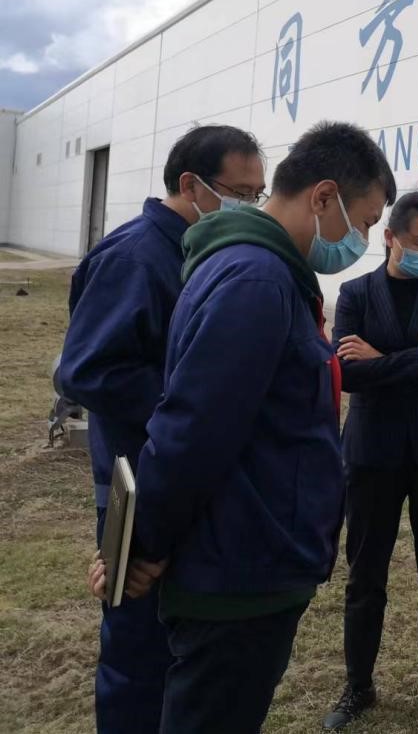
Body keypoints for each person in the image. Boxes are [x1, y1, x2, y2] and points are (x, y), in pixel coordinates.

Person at [108, 120, 395, 734]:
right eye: (366, 222)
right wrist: (143, 544)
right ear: (323, 197)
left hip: (248, 556)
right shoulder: (256, 281)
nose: (363, 241)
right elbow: (192, 430)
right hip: (238, 573)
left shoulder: (260, 271)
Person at [63, 123, 265, 734]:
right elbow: (86, 369)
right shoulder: (135, 255)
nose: (250, 206)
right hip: (136, 480)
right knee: (137, 653)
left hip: (180, 474)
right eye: (240, 192)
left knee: (178, 649)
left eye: (257, 195)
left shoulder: (201, 250)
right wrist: (192, 399)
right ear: (191, 184)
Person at [322, 192, 418, 734]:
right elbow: (347, 374)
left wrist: (383, 361)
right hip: (373, 454)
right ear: (391, 237)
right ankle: (358, 684)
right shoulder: (356, 293)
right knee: (365, 575)